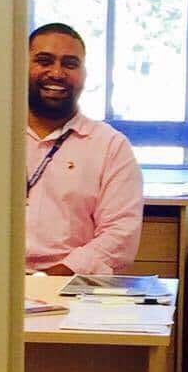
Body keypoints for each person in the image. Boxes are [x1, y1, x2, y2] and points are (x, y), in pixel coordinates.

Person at [25, 22, 143, 275]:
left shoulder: (110, 146)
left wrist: (52, 277)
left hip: (73, 288)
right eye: (44, 61)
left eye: (70, 64)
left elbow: (120, 235)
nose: (56, 73)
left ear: (84, 75)